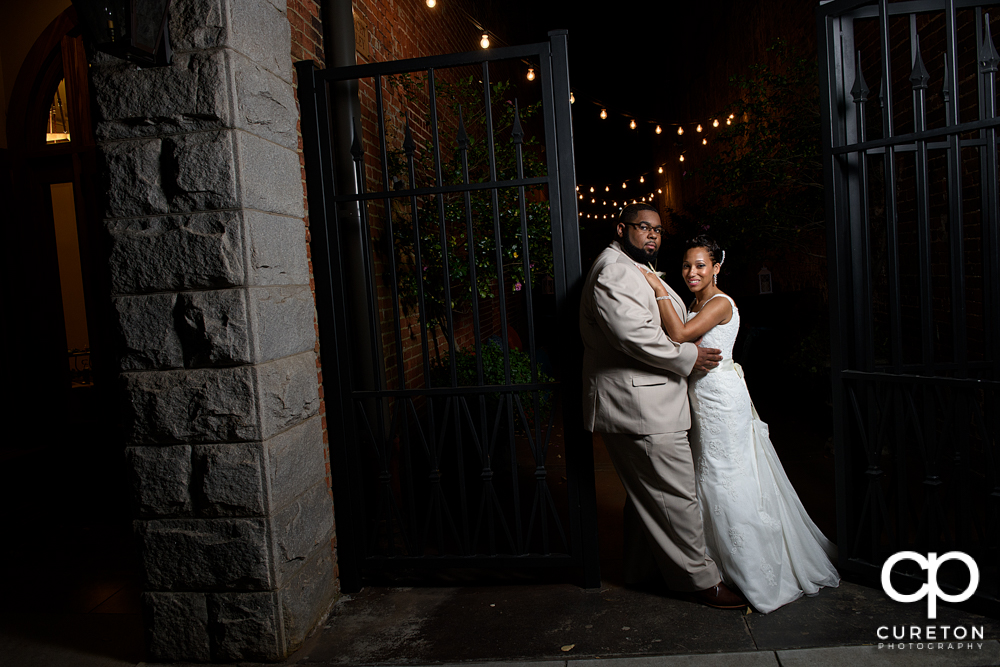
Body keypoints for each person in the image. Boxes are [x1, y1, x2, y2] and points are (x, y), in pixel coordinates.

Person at [639, 234, 840, 613]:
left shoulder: (718, 302)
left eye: (700, 265)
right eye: (686, 265)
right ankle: (716, 567)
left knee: (726, 477)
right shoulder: (696, 301)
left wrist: (656, 287)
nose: (692, 272)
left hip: (723, 400)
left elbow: (680, 335)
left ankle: (753, 571)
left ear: (717, 267)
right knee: (706, 477)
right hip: (702, 400)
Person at [580, 204, 746, 609]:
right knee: (676, 496)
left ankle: (642, 571)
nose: (652, 235)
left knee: (646, 499)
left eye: (657, 230)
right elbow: (635, 337)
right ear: (622, 229)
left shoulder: (633, 265)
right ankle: (700, 581)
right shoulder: (615, 270)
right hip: (643, 406)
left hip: (645, 402)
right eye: (642, 227)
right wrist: (687, 357)